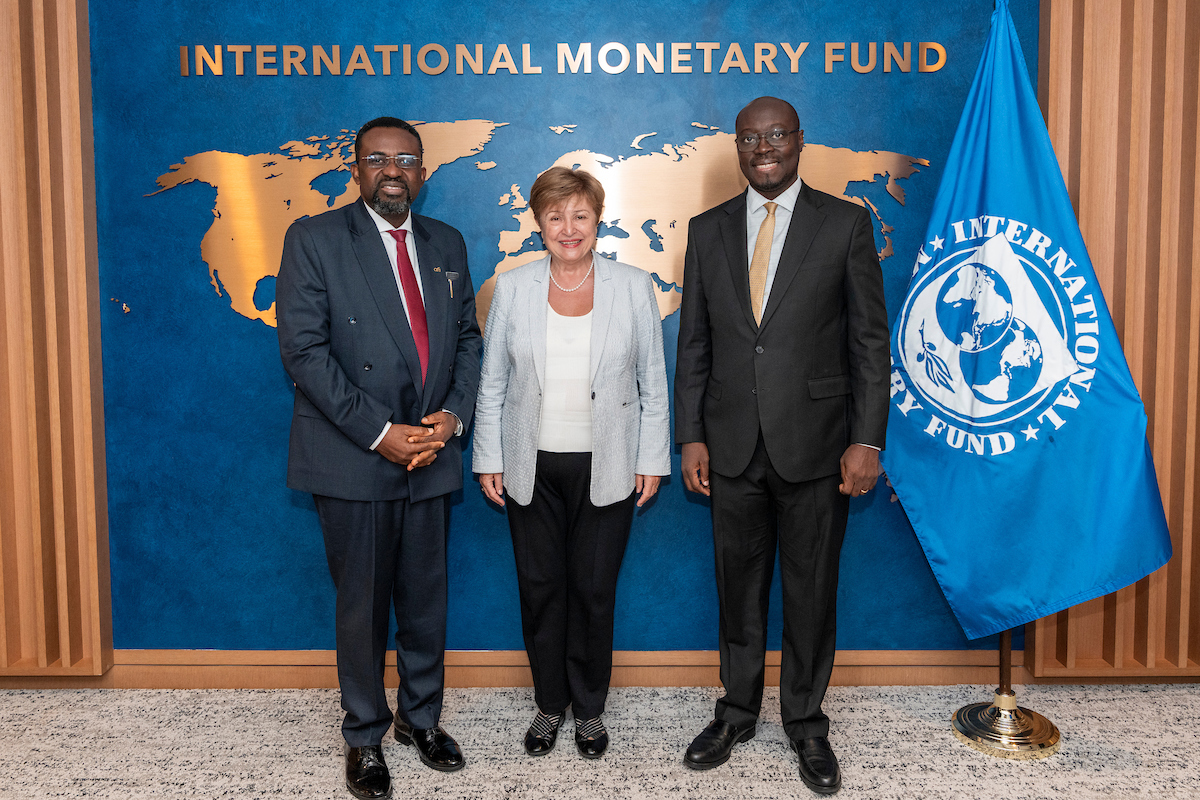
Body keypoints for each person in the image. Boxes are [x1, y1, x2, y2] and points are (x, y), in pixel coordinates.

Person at [674, 97, 889, 794]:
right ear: (737, 147)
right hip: (730, 445)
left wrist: (867, 439)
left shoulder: (846, 223)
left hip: (819, 446)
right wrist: (690, 435)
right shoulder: (707, 230)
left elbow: (869, 342)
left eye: (775, 136)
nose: (762, 148)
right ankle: (736, 713)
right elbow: (695, 343)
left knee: (811, 592)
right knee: (737, 592)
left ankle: (805, 723)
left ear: (799, 141)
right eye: (749, 138)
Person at [276, 116, 481, 800]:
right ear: (356, 168)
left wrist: (452, 418)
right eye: (378, 159)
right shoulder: (314, 238)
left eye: (406, 159)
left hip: (431, 449)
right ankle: (364, 735)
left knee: (425, 602)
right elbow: (303, 351)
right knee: (362, 606)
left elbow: (468, 339)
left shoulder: (447, 242)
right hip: (355, 453)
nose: (393, 170)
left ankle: (419, 720)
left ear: (422, 170)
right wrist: (381, 433)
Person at [473, 166, 670, 760]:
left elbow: (653, 382)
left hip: (608, 463)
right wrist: (488, 456)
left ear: (597, 220)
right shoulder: (513, 288)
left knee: (592, 591)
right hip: (528, 464)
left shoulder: (632, 286)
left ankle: (588, 708)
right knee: (540, 590)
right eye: (555, 216)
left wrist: (651, 458)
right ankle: (548, 704)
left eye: (580, 215)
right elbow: (492, 382)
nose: (568, 228)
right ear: (538, 223)